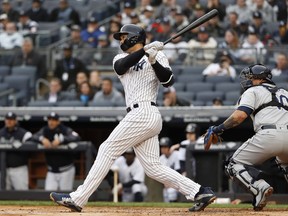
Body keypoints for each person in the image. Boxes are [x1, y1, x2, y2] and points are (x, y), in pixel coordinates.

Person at [50, 24, 216, 212]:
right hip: (138, 114)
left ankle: (78, 198)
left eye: (123, 36)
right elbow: (122, 68)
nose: (121, 40)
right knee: (153, 168)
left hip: (145, 111)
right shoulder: (119, 58)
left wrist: (153, 59)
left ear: (135, 37)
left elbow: (168, 81)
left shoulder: (157, 55)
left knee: (106, 148)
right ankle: (199, 191)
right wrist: (145, 51)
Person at [204, 64, 288, 211]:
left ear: (259, 78)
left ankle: (259, 187)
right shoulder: (285, 92)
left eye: (250, 77)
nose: (248, 80)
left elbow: (239, 116)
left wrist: (217, 129)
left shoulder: (253, 91)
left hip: (269, 134)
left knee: (232, 164)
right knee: (286, 165)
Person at [31, 112, 81, 191]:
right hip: (51, 171)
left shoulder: (64, 129)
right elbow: (34, 136)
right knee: (48, 195)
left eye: (54, 120)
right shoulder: (45, 130)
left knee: (65, 196)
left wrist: (62, 139)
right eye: (49, 119)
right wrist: (42, 139)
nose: (51, 122)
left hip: (66, 170)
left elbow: (76, 136)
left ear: (58, 121)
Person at [0, 112, 32, 190]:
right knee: (3, 196)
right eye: (7, 119)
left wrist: (21, 144)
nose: (9, 121)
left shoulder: (23, 133)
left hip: (19, 169)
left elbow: (32, 140)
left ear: (15, 121)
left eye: (11, 119)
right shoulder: (1, 132)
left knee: (22, 194)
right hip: (3, 169)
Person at [159, 136, 181, 202]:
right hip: (167, 183)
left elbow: (178, 171)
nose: (163, 149)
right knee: (166, 195)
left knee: (171, 192)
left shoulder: (177, 154)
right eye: (162, 147)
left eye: (165, 147)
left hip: (179, 181)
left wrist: (170, 182)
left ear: (170, 147)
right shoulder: (161, 159)